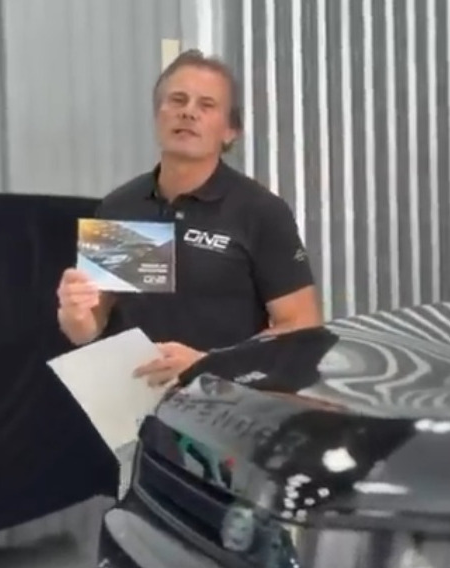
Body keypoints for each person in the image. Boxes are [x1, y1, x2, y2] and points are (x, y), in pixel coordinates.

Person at [57, 50, 322, 387]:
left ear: (230, 131)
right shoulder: (123, 206)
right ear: (158, 115)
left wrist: (209, 363)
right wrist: (75, 315)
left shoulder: (259, 212)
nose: (188, 112)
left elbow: (302, 326)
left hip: (226, 401)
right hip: (136, 401)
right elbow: (89, 327)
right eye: (177, 100)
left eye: (206, 105)